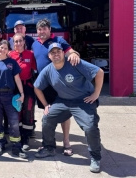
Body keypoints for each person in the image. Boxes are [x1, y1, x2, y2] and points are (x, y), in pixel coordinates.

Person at [33, 42, 103, 173]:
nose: (56, 54)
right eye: (53, 52)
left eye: (58, 51)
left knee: (90, 126)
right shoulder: (48, 70)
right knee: (47, 119)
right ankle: (49, 147)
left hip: (83, 101)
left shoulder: (74, 62)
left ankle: (95, 157)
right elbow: (37, 87)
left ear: (63, 52)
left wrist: (96, 94)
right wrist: (46, 105)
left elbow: (99, 72)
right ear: (49, 56)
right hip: (63, 101)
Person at [32, 18, 80, 156]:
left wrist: (75, 54)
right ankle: (49, 143)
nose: (42, 32)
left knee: (64, 114)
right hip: (44, 86)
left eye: (44, 29)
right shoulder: (35, 44)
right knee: (47, 112)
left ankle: (66, 142)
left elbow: (70, 51)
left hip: (60, 84)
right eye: (39, 29)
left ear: (49, 30)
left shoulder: (59, 41)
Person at [0, 40, 27, 159]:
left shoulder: (12, 62)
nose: (2, 50)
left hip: (9, 95)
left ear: (8, 50)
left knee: (14, 122)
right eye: (1, 47)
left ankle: (16, 146)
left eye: (5, 48)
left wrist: (22, 93)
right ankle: (1, 143)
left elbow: (18, 79)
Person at [8, 33, 37, 152]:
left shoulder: (30, 54)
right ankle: (17, 136)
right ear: (13, 43)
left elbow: (37, 69)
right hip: (14, 87)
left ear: (24, 42)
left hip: (28, 86)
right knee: (16, 111)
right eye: (16, 41)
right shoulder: (10, 55)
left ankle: (26, 138)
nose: (18, 43)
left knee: (28, 111)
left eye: (20, 41)